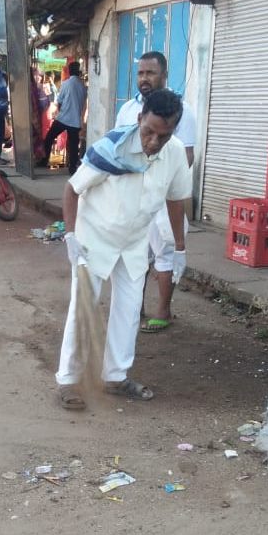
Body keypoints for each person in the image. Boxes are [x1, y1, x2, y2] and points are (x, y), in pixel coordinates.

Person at [55, 89, 192, 410]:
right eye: (149, 132)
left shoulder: (172, 155)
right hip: (94, 238)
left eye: (164, 134)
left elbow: (175, 199)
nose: (154, 142)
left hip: (133, 242)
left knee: (129, 310)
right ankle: (67, 380)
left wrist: (179, 248)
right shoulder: (112, 148)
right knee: (83, 306)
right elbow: (72, 189)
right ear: (139, 118)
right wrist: (71, 236)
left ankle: (115, 376)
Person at [114, 51, 198, 334]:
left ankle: (163, 310)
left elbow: (186, 154)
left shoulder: (181, 110)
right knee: (133, 252)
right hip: (131, 194)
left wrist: (162, 181)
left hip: (163, 196)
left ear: (164, 75)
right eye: (140, 73)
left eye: (150, 73)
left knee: (166, 251)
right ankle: (133, 306)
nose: (144, 78)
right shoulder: (128, 110)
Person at [39, 61, 87, 175]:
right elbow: (83, 104)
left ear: (69, 71)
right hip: (75, 121)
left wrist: (60, 112)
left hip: (63, 118)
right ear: (78, 72)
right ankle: (72, 169)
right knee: (74, 146)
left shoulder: (66, 83)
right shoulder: (83, 86)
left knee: (49, 138)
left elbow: (59, 102)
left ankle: (44, 161)